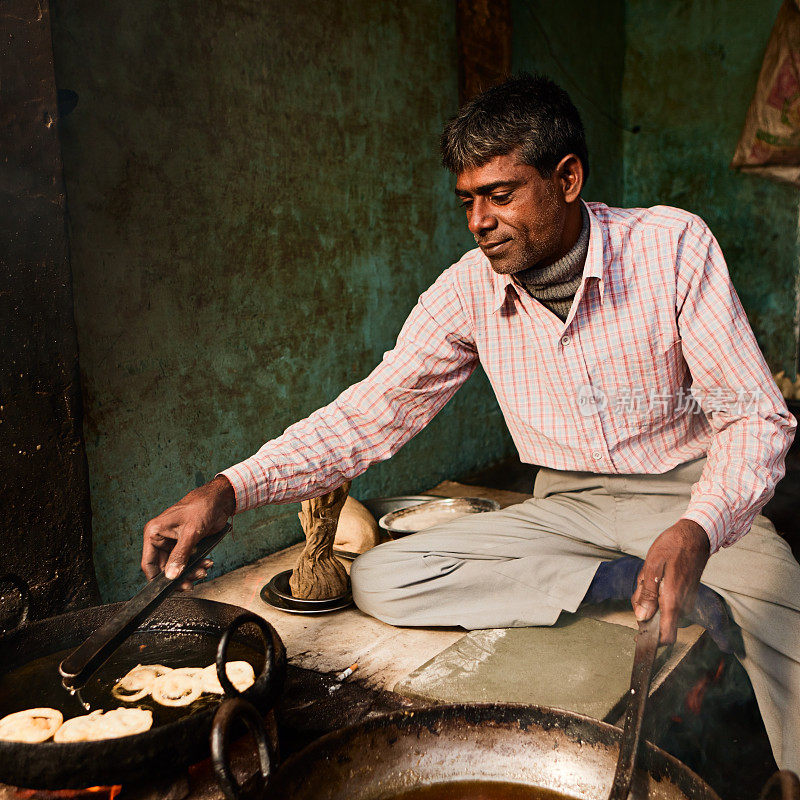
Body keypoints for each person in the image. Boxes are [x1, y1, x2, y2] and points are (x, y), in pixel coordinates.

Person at [142, 74, 799, 769]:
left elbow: (757, 417)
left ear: (568, 177)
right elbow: (368, 415)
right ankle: (614, 577)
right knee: (384, 580)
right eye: (467, 201)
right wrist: (228, 490)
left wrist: (700, 529)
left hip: (690, 494)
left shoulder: (671, 247)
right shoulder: (465, 291)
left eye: (500, 194)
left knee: (789, 627)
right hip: (566, 508)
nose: (479, 220)